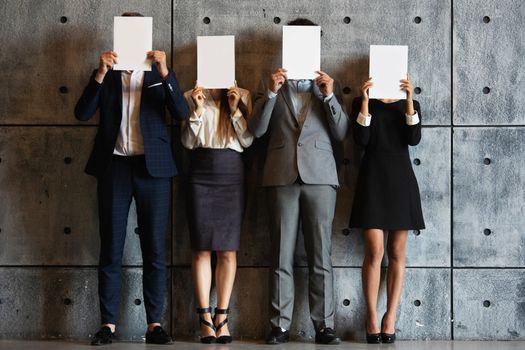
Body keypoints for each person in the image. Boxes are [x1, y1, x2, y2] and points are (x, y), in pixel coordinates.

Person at [74, 12, 189, 346]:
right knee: (110, 247)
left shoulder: (157, 74)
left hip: (153, 169)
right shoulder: (106, 75)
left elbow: (182, 113)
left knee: (154, 249)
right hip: (115, 167)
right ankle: (108, 324)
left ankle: (154, 324)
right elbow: (81, 113)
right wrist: (99, 72)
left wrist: (166, 72)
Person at [248, 18, 349, 345]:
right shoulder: (272, 85)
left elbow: (342, 132)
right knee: (280, 254)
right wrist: (271, 94)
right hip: (281, 176)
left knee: (321, 254)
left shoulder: (327, 86)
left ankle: (324, 325)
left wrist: (330, 97)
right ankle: (279, 325)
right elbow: (257, 130)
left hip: (320, 177)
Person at [349, 76, 425, 344]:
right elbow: (361, 140)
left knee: (396, 252)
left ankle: (390, 317)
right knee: (374, 251)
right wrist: (366, 104)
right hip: (372, 180)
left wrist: (408, 103)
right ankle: (371, 316)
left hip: (401, 181)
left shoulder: (410, 103)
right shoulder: (361, 101)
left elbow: (414, 139)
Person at [181, 82, 253, 344]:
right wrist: (197, 110)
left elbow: (247, 140)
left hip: (232, 172)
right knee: (201, 248)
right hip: (200, 172)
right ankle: (204, 319)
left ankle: (222, 316)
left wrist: (235, 109)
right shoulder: (191, 95)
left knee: (228, 250)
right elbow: (187, 142)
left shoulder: (241, 95)